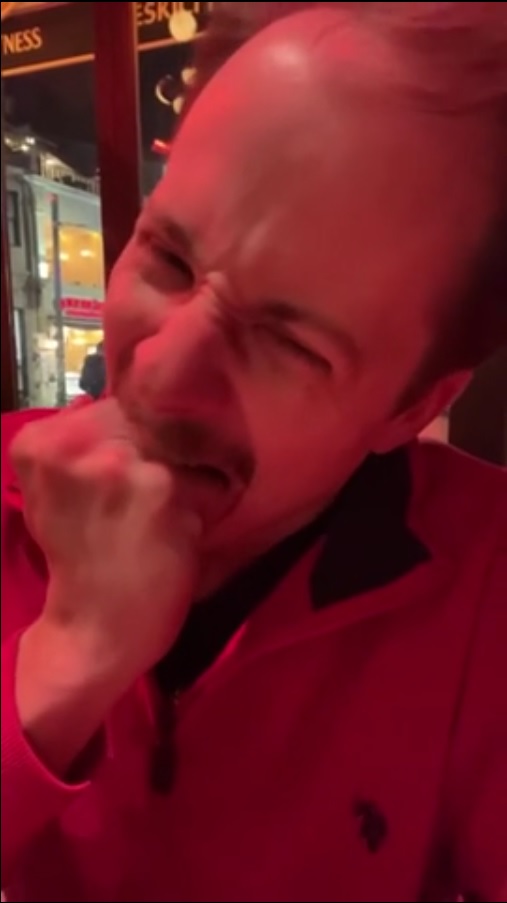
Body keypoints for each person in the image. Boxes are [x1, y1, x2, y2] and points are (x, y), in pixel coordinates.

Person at [1, 3, 506, 901]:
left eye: (287, 342)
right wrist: (63, 663)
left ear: (413, 406)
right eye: (167, 258)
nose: (159, 371)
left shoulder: (485, 581)